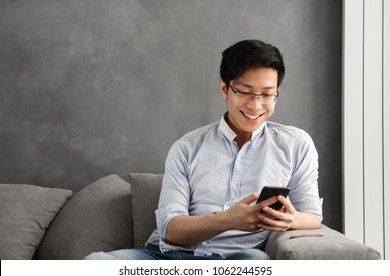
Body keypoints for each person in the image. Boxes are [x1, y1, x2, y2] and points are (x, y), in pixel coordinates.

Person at [84, 39, 323, 260]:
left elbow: (313, 216)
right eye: (245, 92)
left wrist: (291, 219)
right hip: (164, 257)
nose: (256, 105)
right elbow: (169, 230)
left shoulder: (295, 145)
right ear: (224, 88)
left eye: (267, 94)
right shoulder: (187, 147)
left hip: (234, 260)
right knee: (94, 264)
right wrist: (228, 220)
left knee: (257, 262)